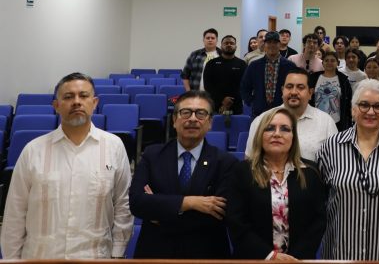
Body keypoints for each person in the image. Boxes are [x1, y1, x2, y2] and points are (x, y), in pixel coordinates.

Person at [1, 72, 133, 259]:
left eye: (83, 96)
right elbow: (15, 212)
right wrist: (12, 260)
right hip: (40, 258)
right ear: (56, 106)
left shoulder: (114, 147)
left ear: (94, 103)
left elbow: (123, 205)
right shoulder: (33, 150)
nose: (77, 102)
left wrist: (117, 254)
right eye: (69, 97)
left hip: (95, 257)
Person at [129, 90, 236, 259]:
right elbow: (137, 203)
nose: (192, 119)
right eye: (186, 112)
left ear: (210, 122)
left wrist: (159, 212)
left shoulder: (226, 163)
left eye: (201, 113)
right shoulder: (152, 155)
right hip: (155, 254)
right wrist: (189, 202)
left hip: (206, 255)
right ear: (174, 120)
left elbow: (217, 215)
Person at [316, 80, 379, 260]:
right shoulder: (330, 148)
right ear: (353, 109)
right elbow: (319, 200)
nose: (371, 112)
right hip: (340, 254)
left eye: (378, 106)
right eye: (364, 105)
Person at [227, 107, 326, 260]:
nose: (277, 134)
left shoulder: (311, 172)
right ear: (260, 135)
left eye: (285, 129)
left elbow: (318, 222)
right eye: (270, 128)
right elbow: (236, 222)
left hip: (298, 261)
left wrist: (293, 259)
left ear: (293, 137)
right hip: (253, 260)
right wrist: (270, 257)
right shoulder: (241, 171)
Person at [244, 70, 338, 162]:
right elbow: (250, 160)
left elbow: (335, 162)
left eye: (300, 87)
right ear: (282, 91)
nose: (293, 92)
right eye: (289, 87)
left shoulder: (326, 122)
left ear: (310, 93)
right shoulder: (262, 120)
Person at [240, 31, 297, 118]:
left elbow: (294, 87)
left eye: (275, 42)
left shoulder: (290, 66)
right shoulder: (254, 66)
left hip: (283, 112)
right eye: (269, 42)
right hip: (259, 113)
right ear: (264, 45)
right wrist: (252, 102)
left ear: (279, 44)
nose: (272, 45)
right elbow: (244, 87)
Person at [309, 51, 353, 132]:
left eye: (332, 60)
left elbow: (349, 103)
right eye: (326, 60)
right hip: (316, 121)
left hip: (337, 122)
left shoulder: (344, 80)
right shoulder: (313, 78)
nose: (329, 63)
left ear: (337, 63)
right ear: (322, 63)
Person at [203, 34, 246, 114]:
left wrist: (230, 101)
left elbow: (245, 85)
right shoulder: (211, 64)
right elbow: (208, 86)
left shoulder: (242, 64)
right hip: (215, 105)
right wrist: (222, 100)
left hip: (236, 105)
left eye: (231, 43)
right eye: (226, 43)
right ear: (221, 46)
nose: (229, 45)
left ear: (236, 47)